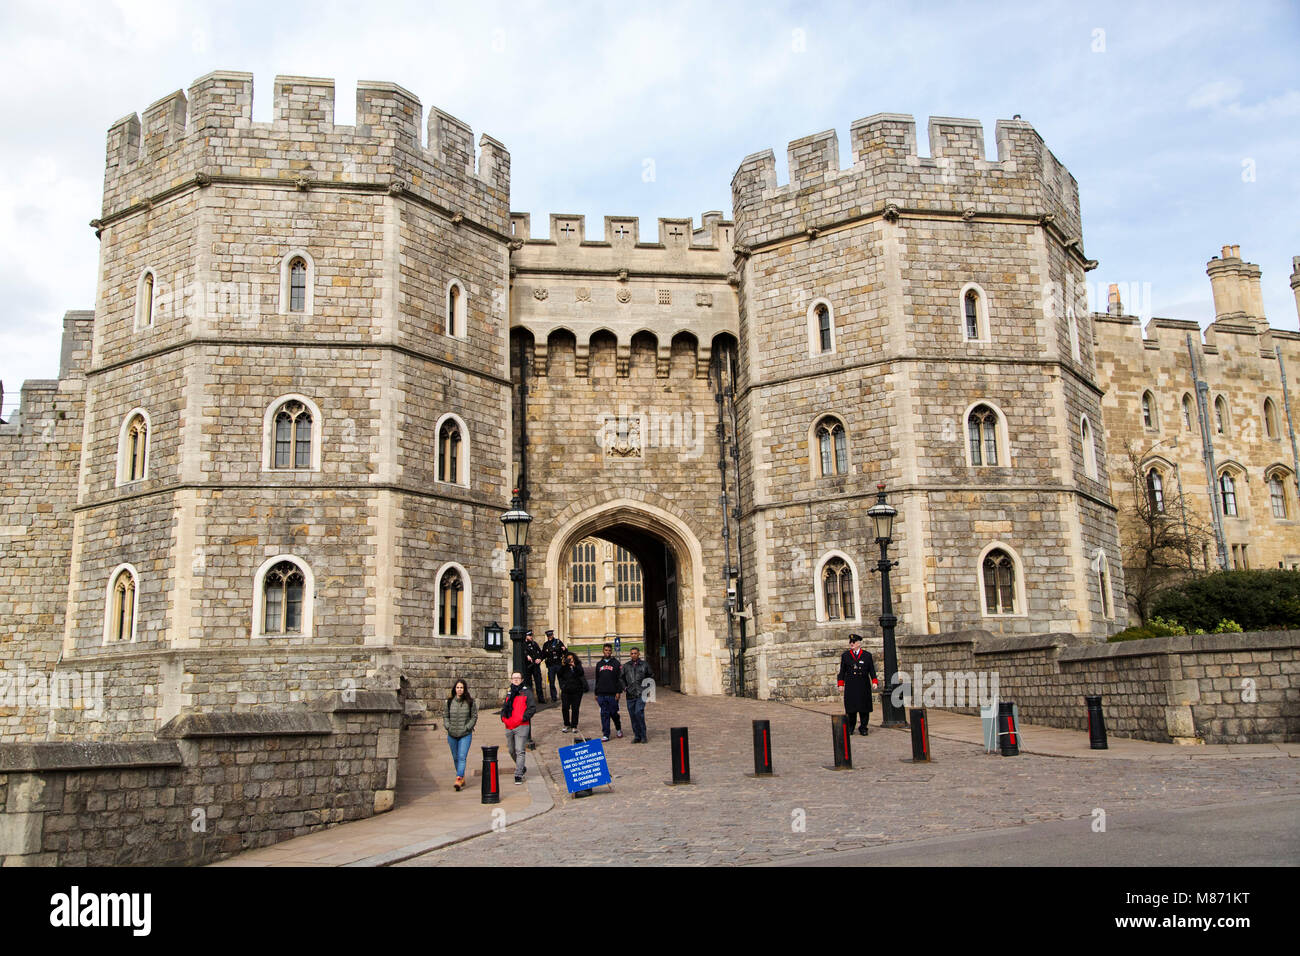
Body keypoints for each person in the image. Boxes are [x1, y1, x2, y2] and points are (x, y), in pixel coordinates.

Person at [500, 671, 537, 784]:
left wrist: (522, 718)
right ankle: (521, 767)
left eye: (518, 678)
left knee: (520, 750)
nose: (515, 680)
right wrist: (503, 717)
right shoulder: (509, 693)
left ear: (521, 680)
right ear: (511, 680)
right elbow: (505, 707)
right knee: (511, 750)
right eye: (514, 678)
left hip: (522, 726)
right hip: (509, 725)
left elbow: (532, 708)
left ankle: (518, 775)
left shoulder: (527, 692)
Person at [837, 633, 878, 735]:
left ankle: (863, 727)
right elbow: (842, 671)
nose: (852, 644)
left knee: (864, 708)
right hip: (851, 685)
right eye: (850, 642)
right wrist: (841, 684)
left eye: (854, 642)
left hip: (863, 685)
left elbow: (871, 670)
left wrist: (874, 681)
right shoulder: (846, 656)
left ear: (859, 643)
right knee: (851, 708)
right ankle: (851, 727)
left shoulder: (866, 655)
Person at [444, 679, 477, 791]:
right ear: (455, 689)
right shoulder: (449, 702)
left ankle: (458, 778)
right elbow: (445, 716)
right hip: (452, 734)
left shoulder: (470, 702)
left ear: (464, 689)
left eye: (461, 688)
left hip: (465, 734)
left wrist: (468, 727)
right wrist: (447, 726)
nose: (459, 689)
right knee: (456, 758)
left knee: (462, 757)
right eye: (458, 687)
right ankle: (461, 776)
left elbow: (474, 716)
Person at [620, 647, 655, 743]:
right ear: (630, 655)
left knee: (638, 713)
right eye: (632, 653)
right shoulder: (626, 666)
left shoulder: (645, 665)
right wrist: (625, 688)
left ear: (639, 654)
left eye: (635, 653)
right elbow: (621, 678)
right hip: (630, 694)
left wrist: (646, 689)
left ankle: (643, 735)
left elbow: (650, 676)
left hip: (641, 693)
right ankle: (637, 736)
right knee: (633, 715)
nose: (633, 655)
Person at [592, 643, 623, 741]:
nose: (607, 652)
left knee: (613, 713)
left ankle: (618, 728)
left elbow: (619, 679)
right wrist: (596, 692)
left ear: (611, 651)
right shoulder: (599, 664)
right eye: (606, 650)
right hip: (601, 693)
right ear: (603, 651)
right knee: (604, 714)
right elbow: (597, 679)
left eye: (609, 650)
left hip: (612, 693)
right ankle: (606, 733)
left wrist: (618, 692)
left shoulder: (616, 663)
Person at [558, 651, 586, 733]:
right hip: (566, 690)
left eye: (571, 659)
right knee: (565, 708)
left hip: (577, 690)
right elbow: (559, 675)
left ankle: (574, 725)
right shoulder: (564, 667)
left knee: (575, 708)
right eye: (568, 659)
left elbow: (581, 673)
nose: (570, 660)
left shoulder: (577, 665)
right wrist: (563, 665)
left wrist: (574, 666)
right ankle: (566, 724)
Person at [542, 628, 567, 703]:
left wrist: (564, 649)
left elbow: (565, 651)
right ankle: (554, 697)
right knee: (551, 682)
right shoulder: (546, 644)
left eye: (551, 635)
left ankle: (564, 695)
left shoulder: (558, 642)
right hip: (550, 665)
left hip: (558, 664)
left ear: (553, 635)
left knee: (561, 681)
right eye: (548, 635)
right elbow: (543, 654)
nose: (550, 636)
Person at [523, 629, 546, 702]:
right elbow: (522, 654)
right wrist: (526, 656)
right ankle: (530, 699)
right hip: (528, 666)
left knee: (538, 682)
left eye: (531, 635)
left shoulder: (534, 644)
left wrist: (539, 659)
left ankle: (541, 699)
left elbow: (541, 653)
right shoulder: (523, 645)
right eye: (529, 635)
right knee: (528, 683)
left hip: (535, 666)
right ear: (526, 636)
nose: (531, 637)